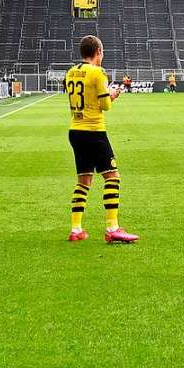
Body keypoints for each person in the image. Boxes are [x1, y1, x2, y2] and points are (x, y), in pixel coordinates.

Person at [65, 35, 138, 244]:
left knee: (84, 180)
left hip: (75, 130)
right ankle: (112, 228)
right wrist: (112, 94)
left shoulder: (71, 72)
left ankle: (76, 228)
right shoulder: (98, 72)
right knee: (112, 176)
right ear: (98, 51)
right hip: (94, 130)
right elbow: (105, 105)